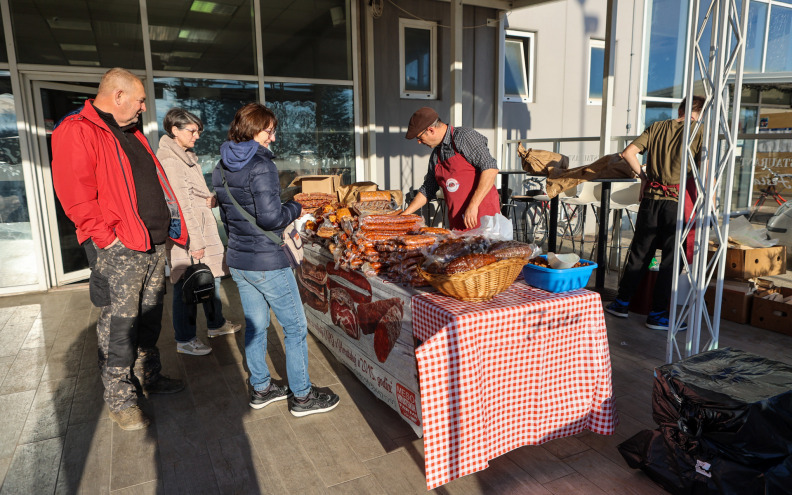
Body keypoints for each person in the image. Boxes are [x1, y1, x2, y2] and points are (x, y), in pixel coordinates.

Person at [51, 68, 189, 431]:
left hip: (153, 243)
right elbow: (75, 194)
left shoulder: (131, 133)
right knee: (120, 325)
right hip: (121, 248)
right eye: (141, 99)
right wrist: (106, 238)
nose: (145, 107)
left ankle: (148, 377)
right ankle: (120, 399)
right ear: (118, 96)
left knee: (149, 317)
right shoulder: (78, 130)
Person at [212, 103, 340, 416]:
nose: (272, 137)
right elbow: (270, 218)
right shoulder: (261, 164)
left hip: (240, 259)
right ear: (254, 130)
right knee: (295, 329)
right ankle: (302, 397)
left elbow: (232, 213)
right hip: (268, 261)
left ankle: (261, 388)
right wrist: (297, 208)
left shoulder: (220, 165)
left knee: (256, 326)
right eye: (269, 131)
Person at [605, 96, 705, 330]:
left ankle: (621, 303)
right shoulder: (699, 133)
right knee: (671, 260)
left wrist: (644, 176)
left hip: (651, 200)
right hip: (677, 203)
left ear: (680, 109)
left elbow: (628, 153)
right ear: (699, 114)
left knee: (640, 253)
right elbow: (703, 173)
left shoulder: (658, 127)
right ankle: (658, 315)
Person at [157, 108, 241, 356]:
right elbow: (180, 205)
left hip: (199, 227)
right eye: (192, 131)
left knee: (209, 277)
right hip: (189, 233)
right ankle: (185, 338)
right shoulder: (171, 159)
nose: (197, 136)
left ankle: (216, 324)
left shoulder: (184, 155)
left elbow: (191, 194)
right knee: (186, 283)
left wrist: (208, 200)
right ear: (175, 130)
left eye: (198, 131)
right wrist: (194, 240)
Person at [401, 107, 501, 231]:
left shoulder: (464, 137)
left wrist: (473, 205)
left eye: (420, 138)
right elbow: (428, 189)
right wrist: (405, 214)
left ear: (431, 130)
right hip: (458, 224)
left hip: (484, 220)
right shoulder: (436, 156)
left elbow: (490, 168)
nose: (419, 142)